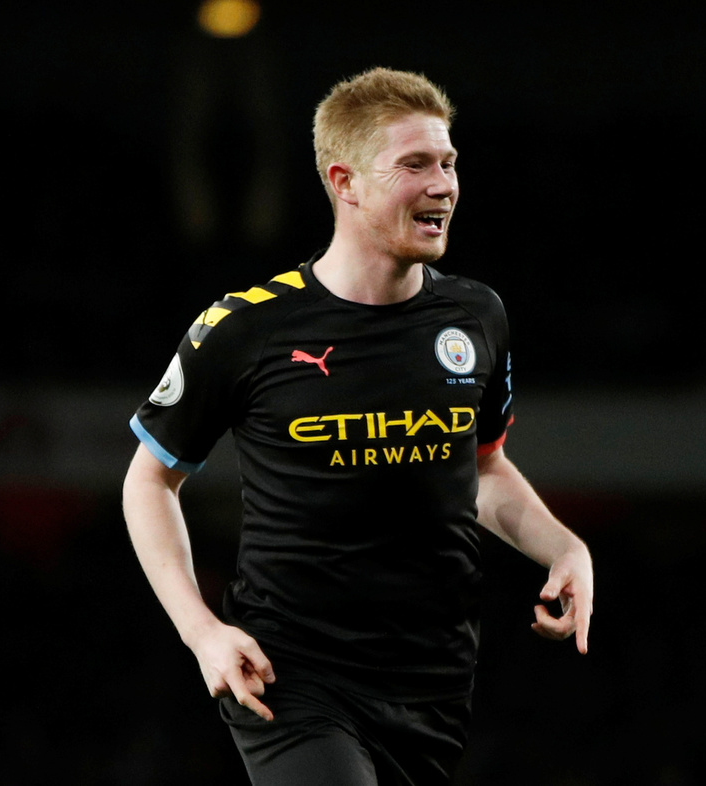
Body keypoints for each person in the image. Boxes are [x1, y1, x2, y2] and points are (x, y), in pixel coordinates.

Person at [122, 67, 594, 785]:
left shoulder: (476, 316)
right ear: (345, 182)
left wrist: (566, 548)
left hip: (434, 683)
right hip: (289, 672)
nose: (443, 185)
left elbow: (482, 469)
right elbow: (150, 480)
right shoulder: (246, 328)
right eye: (416, 165)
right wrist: (202, 632)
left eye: (448, 163)